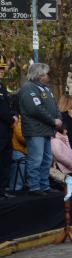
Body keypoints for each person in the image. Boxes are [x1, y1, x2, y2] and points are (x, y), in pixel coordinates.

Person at [19, 63, 61, 195]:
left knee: (47, 159)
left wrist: (58, 117)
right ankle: (34, 187)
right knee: (36, 159)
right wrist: (53, 120)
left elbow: (55, 106)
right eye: (45, 74)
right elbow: (35, 109)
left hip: (47, 130)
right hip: (35, 130)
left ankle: (44, 185)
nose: (48, 76)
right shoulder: (28, 88)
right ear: (39, 75)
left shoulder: (46, 88)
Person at [0, 59, 14, 198]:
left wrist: (14, 116)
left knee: (5, 161)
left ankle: (2, 189)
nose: (2, 71)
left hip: (5, 131)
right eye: (0, 68)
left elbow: (8, 106)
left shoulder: (2, 87)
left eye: (3, 68)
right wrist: (11, 119)